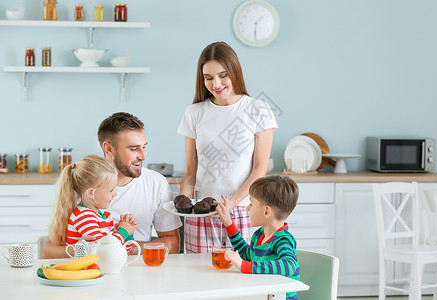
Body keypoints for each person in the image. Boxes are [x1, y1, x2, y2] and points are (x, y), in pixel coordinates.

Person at [178, 41, 278, 253]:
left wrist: (231, 203)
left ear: (235, 71)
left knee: (243, 278)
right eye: (209, 78)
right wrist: (184, 207)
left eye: (223, 75)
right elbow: (190, 169)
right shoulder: (194, 113)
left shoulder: (258, 109)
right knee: (200, 278)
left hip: (244, 212)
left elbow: (259, 169)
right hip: (202, 216)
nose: (216, 84)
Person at [44, 112, 182, 258]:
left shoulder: (156, 182)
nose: (143, 156)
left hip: (136, 268)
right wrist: (80, 250)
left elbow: (173, 244)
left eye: (144, 147)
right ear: (108, 149)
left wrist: (129, 247)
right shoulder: (82, 183)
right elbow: (49, 251)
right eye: (134, 149)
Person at [216, 175, 300, 300]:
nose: (247, 208)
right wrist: (229, 224)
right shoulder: (259, 235)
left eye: (251, 203)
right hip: (263, 294)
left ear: (267, 211)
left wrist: (245, 266)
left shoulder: (282, 240)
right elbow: (246, 254)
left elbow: (289, 265)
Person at [48, 155, 138, 253]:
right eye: (111, 190)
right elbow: (104, 251)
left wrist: (129, 233)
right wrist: (123, 231)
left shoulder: (103, 216)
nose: (115, 194)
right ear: (91, 193)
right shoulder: (84, 216)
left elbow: (120, 252)